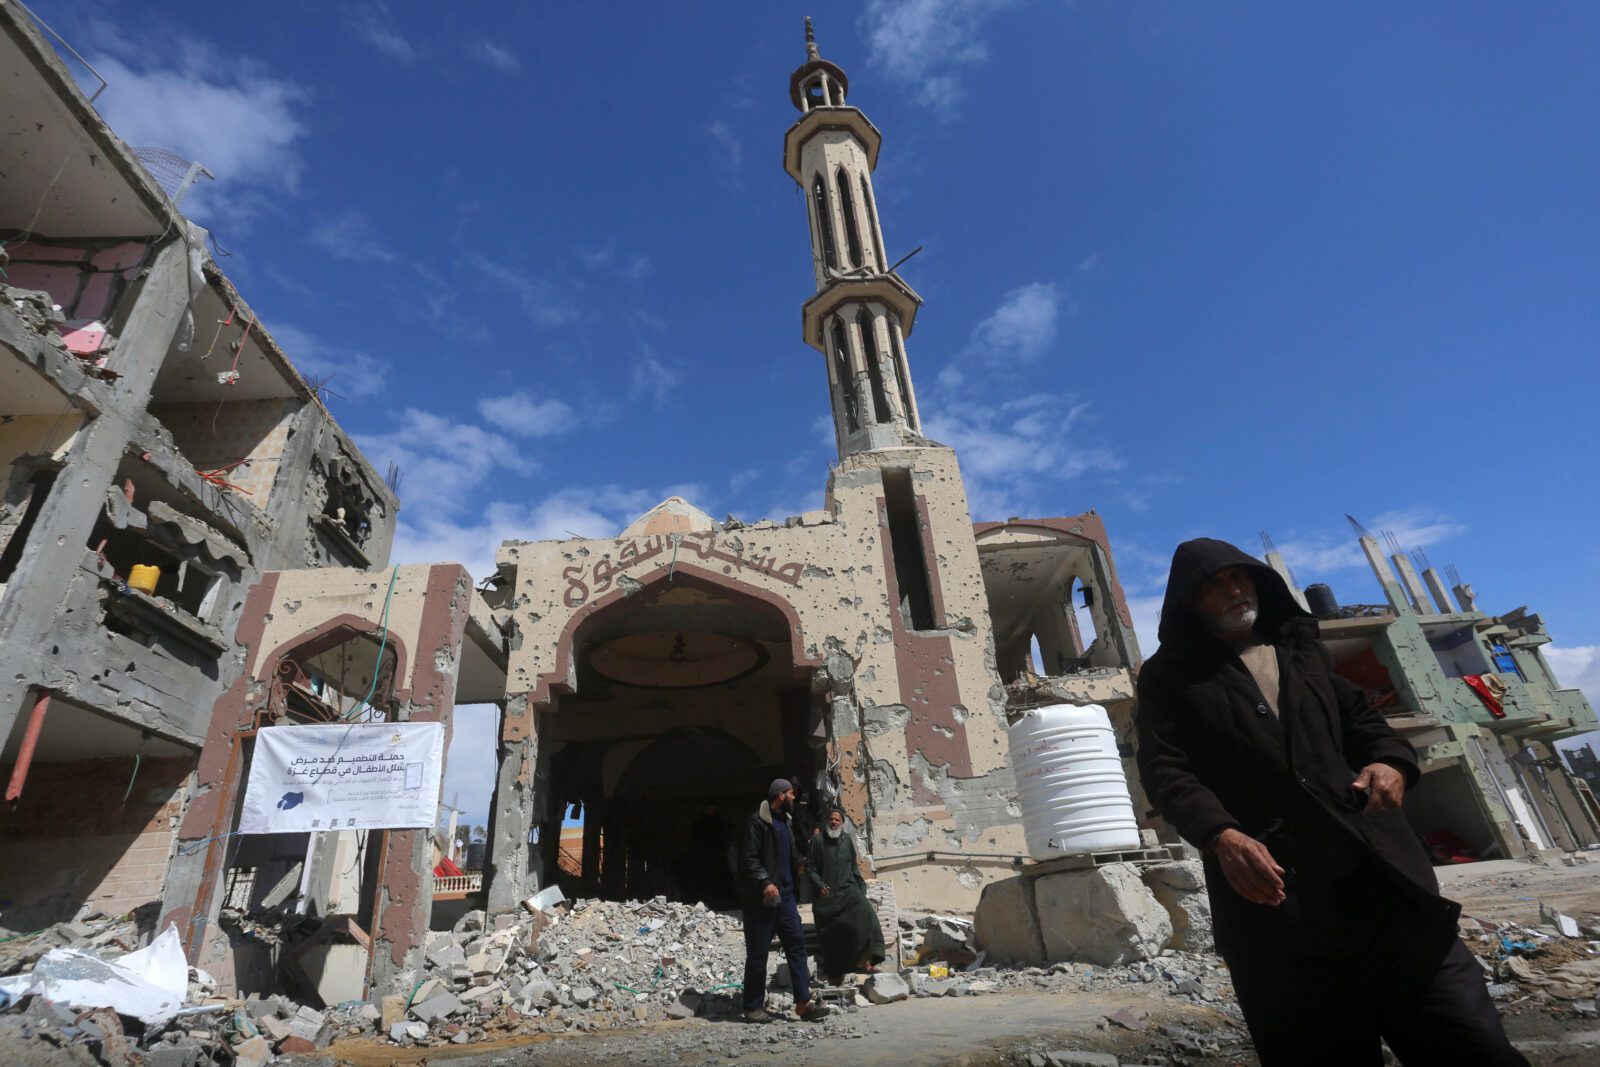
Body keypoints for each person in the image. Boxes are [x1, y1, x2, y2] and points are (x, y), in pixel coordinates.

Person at [1135, 538, 1526, 1066]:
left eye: (1239, 578)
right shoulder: (1169, 677)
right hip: (1280, 916)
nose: (1233, 591)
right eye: (1214, 586)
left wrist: (1391, 762)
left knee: (1472, 1047)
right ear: (1188, 602)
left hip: (1386, 894)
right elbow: (1166, 771)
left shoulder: (1301, 648)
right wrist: (1221, 835)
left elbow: (1366, 723)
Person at [737, 779, 830, 1023]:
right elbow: (749, 858)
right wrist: (765, 882)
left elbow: (789, 853)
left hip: (787, 898)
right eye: (791, 794)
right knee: (758, 954)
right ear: (780, 795)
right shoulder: (757, 822)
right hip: (763, 900)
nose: (794, 798)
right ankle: (752, 1006)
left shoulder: (786, 822)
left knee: (797, 947)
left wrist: (799, 863)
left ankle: (803, 1003)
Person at [806, 806, 886, 985]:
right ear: (827, 821)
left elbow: (853, 866)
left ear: (842, 823)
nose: (834, 822)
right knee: (833, 932)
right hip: (827, 896)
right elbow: (810, 868)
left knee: (868, 916)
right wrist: (819, 885)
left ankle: (866, 960)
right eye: (831, 819)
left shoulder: (847, 840)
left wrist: (860, 886)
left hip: (848, 890)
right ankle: (837, 969)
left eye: (837, 820)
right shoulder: (817, 842)